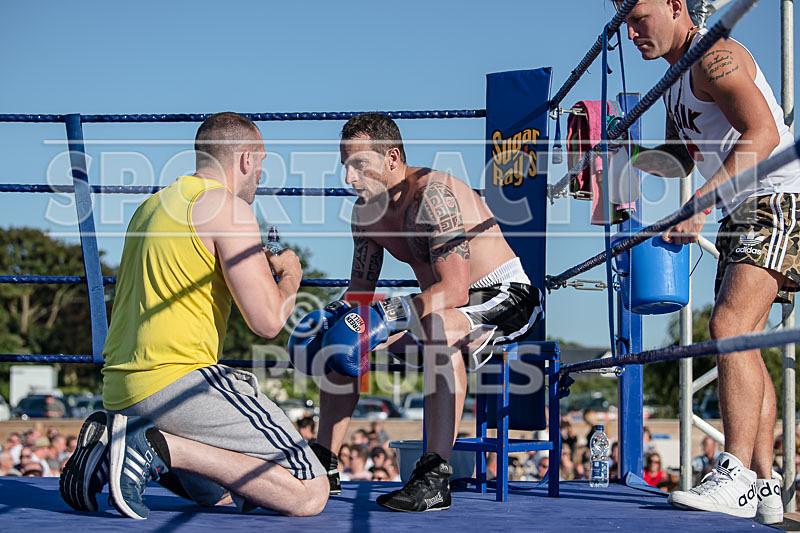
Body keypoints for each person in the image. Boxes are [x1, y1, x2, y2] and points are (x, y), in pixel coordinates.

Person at [58, 112, 329, 519]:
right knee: (310, 491)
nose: (261, 175)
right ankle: (154, 445)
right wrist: (290, 277)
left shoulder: (151, 207)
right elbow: (268, 320)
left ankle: (113, 451)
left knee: (221, 493)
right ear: (245, 159)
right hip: (176, 381)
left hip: (121, 390)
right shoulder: (228, 208)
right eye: (262, 163)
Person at [614, 0, 800, 524]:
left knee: (729, 327)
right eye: (624, 23)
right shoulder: (676, 78)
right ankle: (764, 482)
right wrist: (616, 157)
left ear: (676, 5)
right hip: (748, 203)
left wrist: (702, 204)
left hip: (778, 197)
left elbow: (761, 133)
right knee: (747, 341)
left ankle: (735, 472)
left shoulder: (714, 54)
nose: (631, 32)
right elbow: (678, 157)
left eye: (637, 16)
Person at [302, 112, 543, 512]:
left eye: (359, 165)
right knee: (344, 332)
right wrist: (333, 320)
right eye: (345, 166)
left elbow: (455, 288)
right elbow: (361, 293)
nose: (349, 178)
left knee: (435, 327)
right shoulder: (366, 215)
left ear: (392, 158)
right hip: (444, 305)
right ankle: (325, 462)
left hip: (504, 296)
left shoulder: (432, 195)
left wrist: (389, 313)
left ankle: (434, 476)